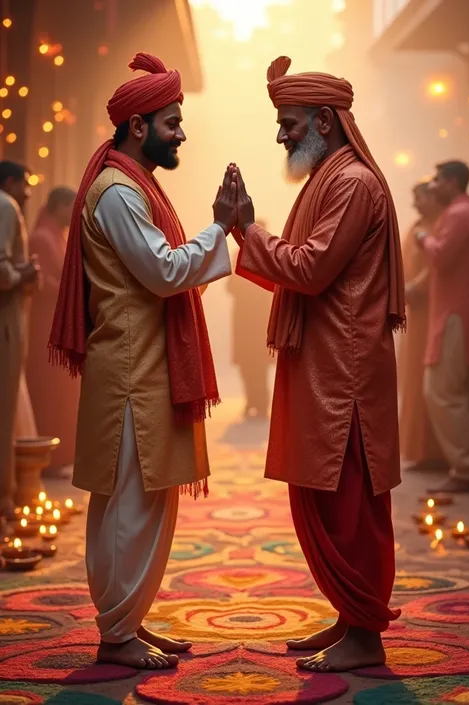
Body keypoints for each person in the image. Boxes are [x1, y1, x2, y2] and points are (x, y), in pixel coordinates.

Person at [48, 54, 234, 669]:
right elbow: (163, 273)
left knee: (144, 502)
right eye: (173, 122)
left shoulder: (131, 185)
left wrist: (210, 240)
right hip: (131, 370)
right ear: (138, 126)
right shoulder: (120, 193)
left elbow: (166, 275)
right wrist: (220, 228)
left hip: (143, 365)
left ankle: (126, 624)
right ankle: (117, 633)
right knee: (130, 503)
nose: (181, 134)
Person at [229, 56, 405, 672]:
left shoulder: (352, 183)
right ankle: (349, 619)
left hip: (346, 373)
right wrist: (247, 234)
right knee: (325, 495)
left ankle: (365, 633)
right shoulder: (329, 177)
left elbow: (309, 268)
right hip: (327, 362)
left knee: (349, 500)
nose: (280, 136)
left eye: (289, 123)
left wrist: (248, 230)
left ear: (326, 122)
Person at [416, 161, 469, 494]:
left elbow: (441, 257)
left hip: (454, 314)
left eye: (437, 180)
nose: (432, 185)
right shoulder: (457, 212)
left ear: (452, 182)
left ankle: (465, 467)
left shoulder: (459, 214)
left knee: (443, 391)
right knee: (449, 391)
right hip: (451, 311)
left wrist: (424, 237)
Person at [27, 187, 79, 471]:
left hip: (60, 324)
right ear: (58, 205)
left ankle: (63, 455)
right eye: (70, 208)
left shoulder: (57, 236)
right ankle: (50, 458)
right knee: (49, 391)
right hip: (45, 326)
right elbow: (42, 283)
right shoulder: (40, 238)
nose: (73, 215)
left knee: (63, 390)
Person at [0, 161, 40, 519]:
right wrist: (24, 272)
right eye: (25, 185)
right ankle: (4, 498)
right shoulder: (4, 206)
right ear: (10, 182)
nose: (29, 193)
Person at [398, 182, 444, 470]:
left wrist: (416, 287)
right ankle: (419, 450)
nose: (415, 204)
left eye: (419, 198)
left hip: (435, 310)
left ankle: (437, 452)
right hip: (416, 313)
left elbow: (441, 264)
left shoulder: (442, 224)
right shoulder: (416, 226)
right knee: (412, 376)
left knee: (435, 380)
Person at [227, 218, 273, 420]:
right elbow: (230, 286)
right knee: (249, 365)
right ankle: (253, 401)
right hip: (248, 320)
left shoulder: (267, 254)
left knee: (257, 365)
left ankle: (260, 403)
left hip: (255, 320)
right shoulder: (242, 253)